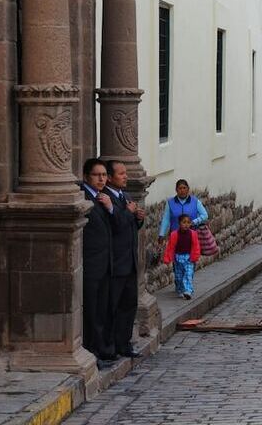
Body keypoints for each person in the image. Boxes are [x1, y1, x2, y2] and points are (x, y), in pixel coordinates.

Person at [104, 160, 144, 359]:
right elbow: (116, 225)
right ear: (109, 178)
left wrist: (138, 218)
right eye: (121, 174)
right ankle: (110, 345)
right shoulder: (105, 199)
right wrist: (129, 213)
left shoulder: (125, 196)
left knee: (129, 305)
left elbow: (130, 226)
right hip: (116, 262)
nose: (125, 176)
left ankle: (124, 343)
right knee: (112, 306)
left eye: (125, 173)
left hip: (130, 261)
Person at [80, 158, 117, 368]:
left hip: (105, 264)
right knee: (91, 311)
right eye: (97, 175)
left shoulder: (104, 198)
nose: (101, 179)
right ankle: (92, 350)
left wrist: (111, 208)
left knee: (102, 309)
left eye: (104, 175)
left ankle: (102, 348)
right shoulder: (83, 197)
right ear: (86, 176)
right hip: (91, 265)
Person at [163, 215, 201, 299]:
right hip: (178, 258)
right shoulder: (174, 234)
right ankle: (180, 290)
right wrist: (167, 258)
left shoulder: (193, 234)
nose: (186, 224)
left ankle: (188, 291)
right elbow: (170, 247)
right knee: (179, 276)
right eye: (184, 222)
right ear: (179, 223)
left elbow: (196, 246)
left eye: (188, 222)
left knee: (188, 274)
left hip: (189, 258)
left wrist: (195, 256)